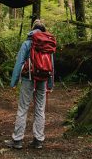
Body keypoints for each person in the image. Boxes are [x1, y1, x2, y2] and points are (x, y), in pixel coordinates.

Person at [4, 19, 55, 150]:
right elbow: (51, 66)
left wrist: (13, 82)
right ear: (43, 29)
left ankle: (17, 140)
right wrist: (50, 84)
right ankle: (38, 140)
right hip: (43, 79)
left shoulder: (27, 42)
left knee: (23, 108)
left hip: (28, 77)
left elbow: (19, 62)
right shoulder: (47, 44)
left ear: (33, 29)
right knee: (40, 109)